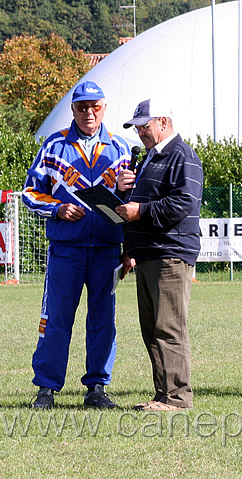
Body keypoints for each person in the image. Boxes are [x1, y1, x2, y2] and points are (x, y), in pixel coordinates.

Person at [22, 80, 131, 409]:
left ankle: (97, 388)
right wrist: (56, 207)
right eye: (82, 107)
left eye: (95, 106)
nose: (89, 113)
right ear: (72, 109)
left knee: (103, 320)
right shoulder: (53, 147)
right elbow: (29, 192)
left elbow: (133, 203)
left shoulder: (121, 148)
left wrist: (129, 188)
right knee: (56, 318)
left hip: (107, 250)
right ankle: (46, 388)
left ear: (104, 108)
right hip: (66, 250)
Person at [116, 99, 203, 411]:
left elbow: (184, 203)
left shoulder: (182, 155)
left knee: (168, 327)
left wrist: (140, 210)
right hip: (149, 255)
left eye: (145, 125)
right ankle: (163, 395)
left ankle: (178, 398)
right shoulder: (149, 158)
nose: (140, 132)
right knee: (152, 328)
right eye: (137, 127)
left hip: (171, 254)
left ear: (164, 122)